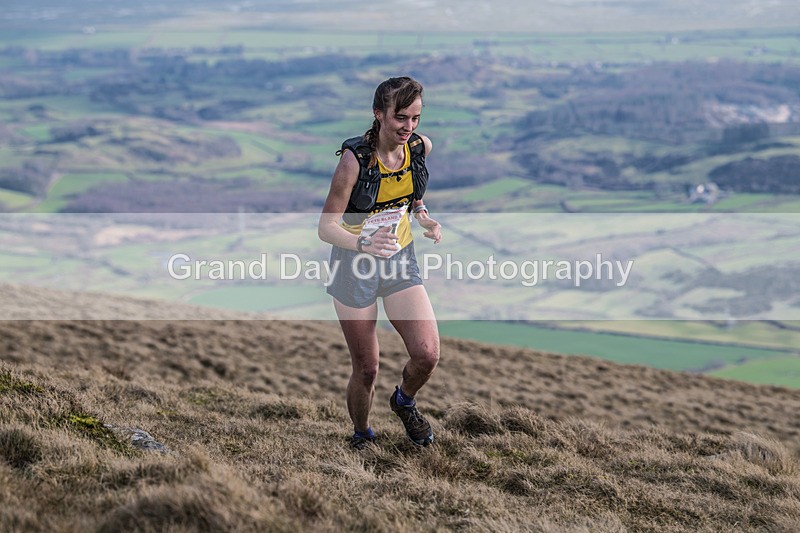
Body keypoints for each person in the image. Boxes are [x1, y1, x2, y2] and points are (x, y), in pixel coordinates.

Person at [318, 76, 442, 449]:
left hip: (399, 259)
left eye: (415, 118)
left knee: (427, 354)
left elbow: (411, 196)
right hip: (353, 266)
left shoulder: (419, 147)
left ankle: (404, 400)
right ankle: (362, 434)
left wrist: (424, 217)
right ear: (378, 114)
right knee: (367, 368)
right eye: (400, 117)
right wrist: (363, 243)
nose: (408, 127)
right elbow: (326, 228)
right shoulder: (354, 161)